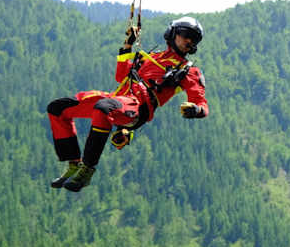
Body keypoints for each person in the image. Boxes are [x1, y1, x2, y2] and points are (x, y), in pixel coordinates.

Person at [46, 16, 209, 191]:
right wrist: (127, 45)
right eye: (186, 35)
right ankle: (73, 164)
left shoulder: (189, 71)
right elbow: (121, 77)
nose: (189, 41)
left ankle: (87, 169)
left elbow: (201, 103)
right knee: (57, 108)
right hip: (117, 98)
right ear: (173, 33)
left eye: (194, 39)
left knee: (103, 109)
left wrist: (196, 110)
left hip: (137, 106)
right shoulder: (151, 57)